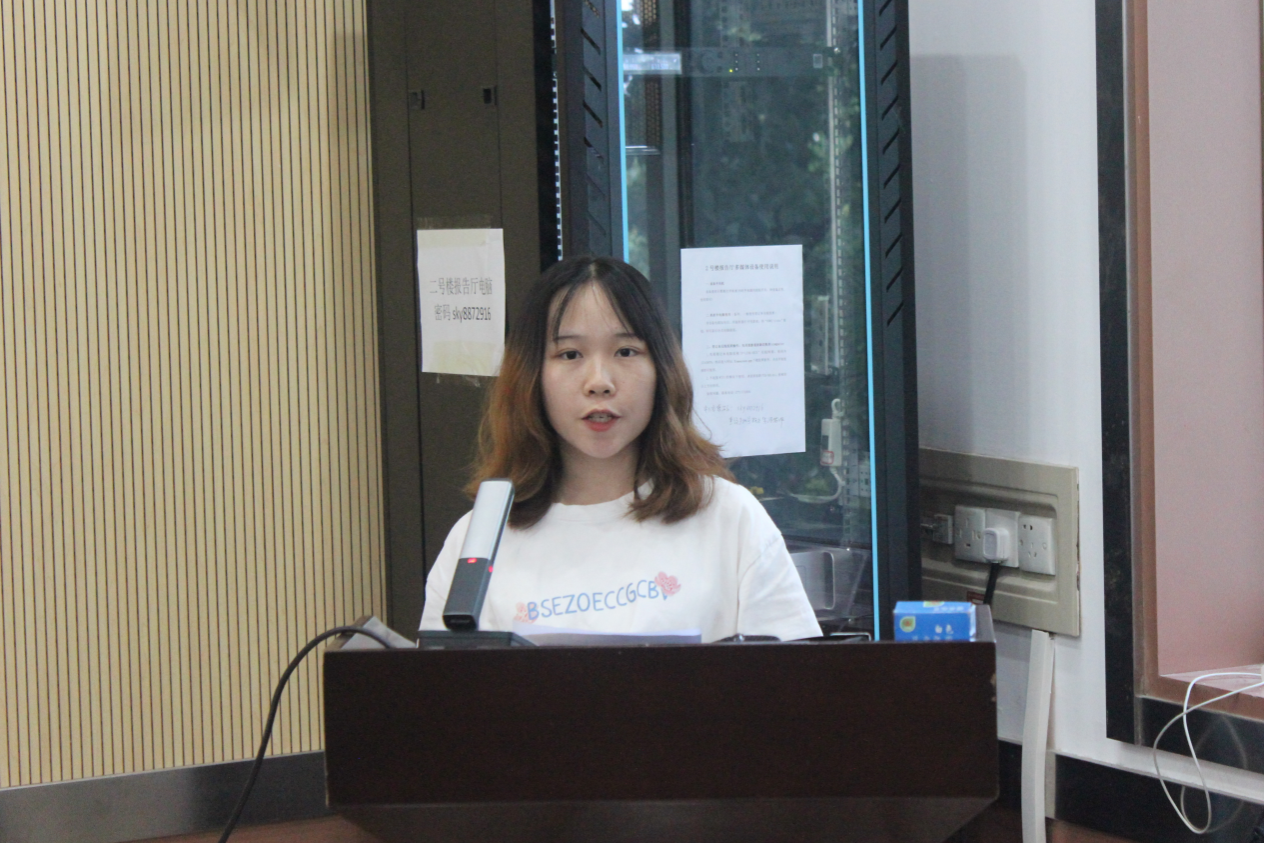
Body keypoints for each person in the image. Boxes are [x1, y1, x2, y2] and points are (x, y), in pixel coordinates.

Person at [418, 256, 821, 643]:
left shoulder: (729, 518)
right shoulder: (477, 542)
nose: (599, 382)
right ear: (531, 375)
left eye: (626, 352)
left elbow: (794, 681)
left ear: (662, 369)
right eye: (570, 354)